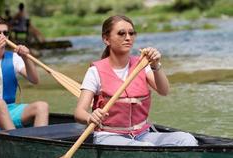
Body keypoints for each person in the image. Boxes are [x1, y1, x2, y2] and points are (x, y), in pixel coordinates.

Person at [74, 15, 198, 146]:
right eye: (121, 34)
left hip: (142, 134)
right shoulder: (95, 71)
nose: (128, 38)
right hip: (109, 136)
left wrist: (155, 65)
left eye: (131, 33)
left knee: (186, 139)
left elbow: (164, 91)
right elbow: (79, 112)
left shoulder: (142, 65)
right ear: (106, 39)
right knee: (147, 148)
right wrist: (90, 117)